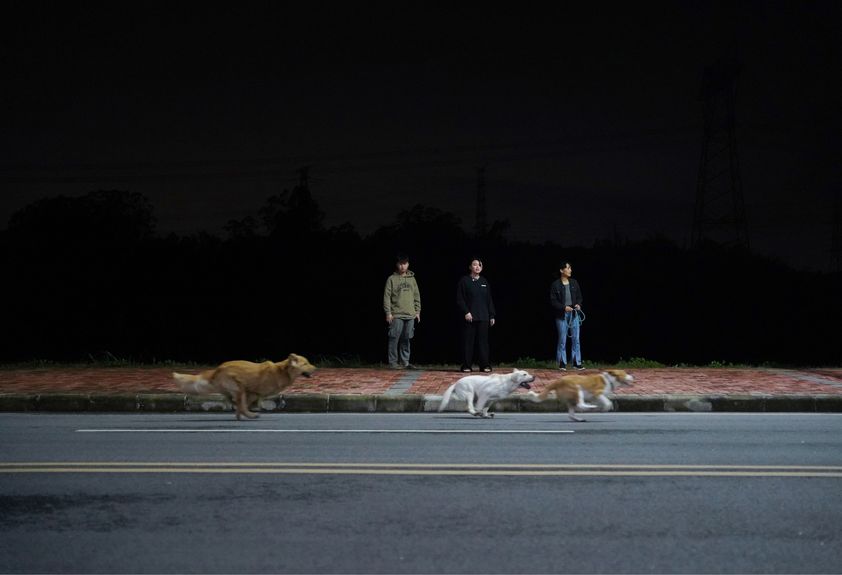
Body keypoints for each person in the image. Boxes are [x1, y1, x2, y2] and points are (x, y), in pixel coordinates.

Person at [456, 258, 496, 373]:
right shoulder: (464, 281)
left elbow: (489, 300)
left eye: (479, 265)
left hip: (483, 317)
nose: (477, 267)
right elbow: (460, 299)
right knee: (468, 342)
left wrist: (492, 315)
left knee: (483, 343)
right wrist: (466, 312)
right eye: (474, 265)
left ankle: (484, 365)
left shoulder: (484, 281)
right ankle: (466, 365)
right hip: (470, 317)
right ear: (470, 267)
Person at [383, 254, 421, 369]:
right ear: (397, 264)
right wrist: (388, 312)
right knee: (394, 338)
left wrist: (417, 311)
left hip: (410, 314)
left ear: (408, 264)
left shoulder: (412, 279)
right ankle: (393, 362)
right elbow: (387, 297)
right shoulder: (391, 279)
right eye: (400, 263)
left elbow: (416, 296)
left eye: (404, 263)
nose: (402, 266)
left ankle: (405, 362)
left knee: (406, 338)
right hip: (396, 314)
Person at [550, 260, 584, 370]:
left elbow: (579, 297)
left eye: (570, 268)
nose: (570, 270)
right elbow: (553, 301)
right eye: (568, 268)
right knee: (562, 339)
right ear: (561, 270)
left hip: (574, 314)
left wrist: (578, 304)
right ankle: (562, 363)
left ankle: (576, 362)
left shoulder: (574, 282)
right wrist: (564, 307)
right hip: (562, 315)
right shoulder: (555, 285)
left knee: (576, 339)